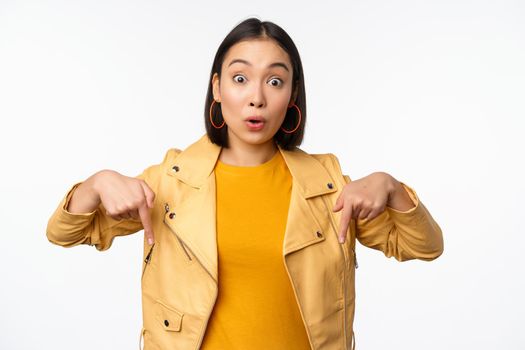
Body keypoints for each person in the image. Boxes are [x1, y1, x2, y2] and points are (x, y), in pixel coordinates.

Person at [46, 17, 444, 350]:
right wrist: (96, 184)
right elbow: (64, 233)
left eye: (274, 81)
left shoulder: (328, 187)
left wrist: (391, 187)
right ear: (217, 88)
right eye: (240, 78)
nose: (256, 97)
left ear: (292, 96)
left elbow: (424, 246)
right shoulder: (170, 184)